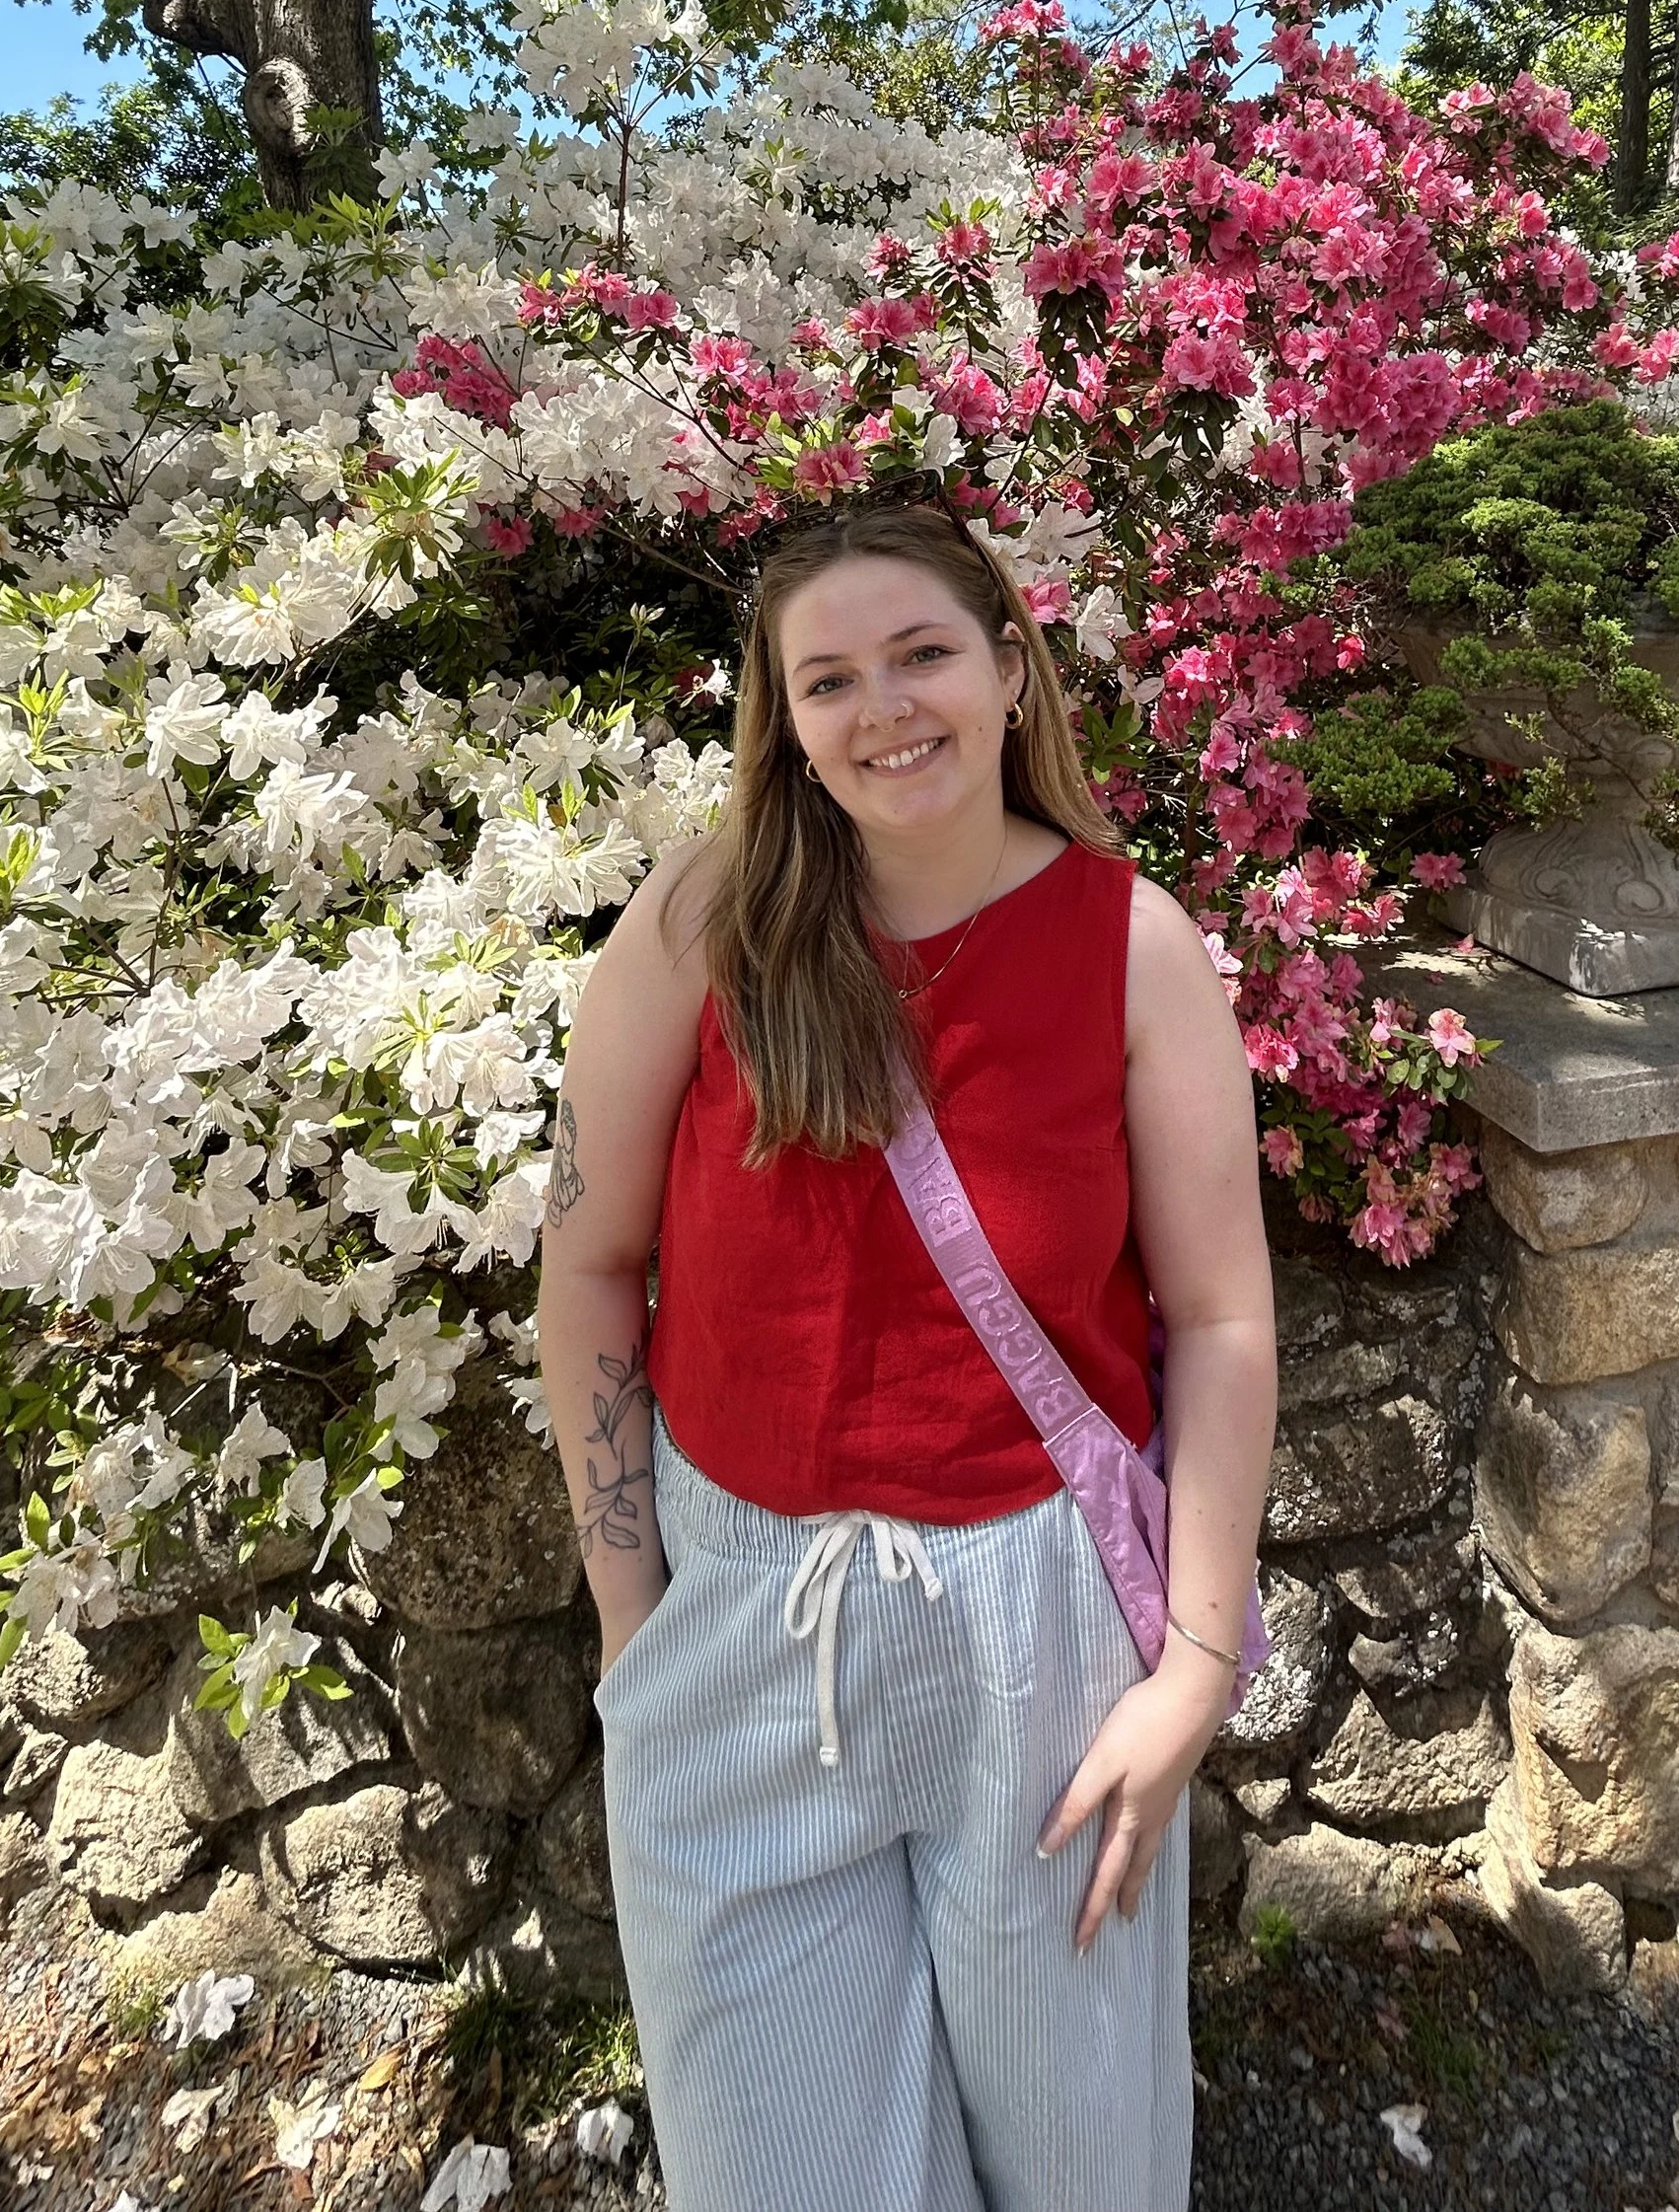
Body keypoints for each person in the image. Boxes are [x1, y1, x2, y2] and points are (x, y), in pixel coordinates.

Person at [538, 497, 1277, 2212]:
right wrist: (636, 1621)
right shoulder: (700, 926)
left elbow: (1224, 1319)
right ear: (783, 720)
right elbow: (588, 1267)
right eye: (831, 679)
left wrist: (1196, 1666)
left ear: (1011, 669)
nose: (887, 709)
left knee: (1083, 2166)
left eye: (925, 653)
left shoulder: (1133, 948)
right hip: (736, 1621)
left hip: (1038, 1633)